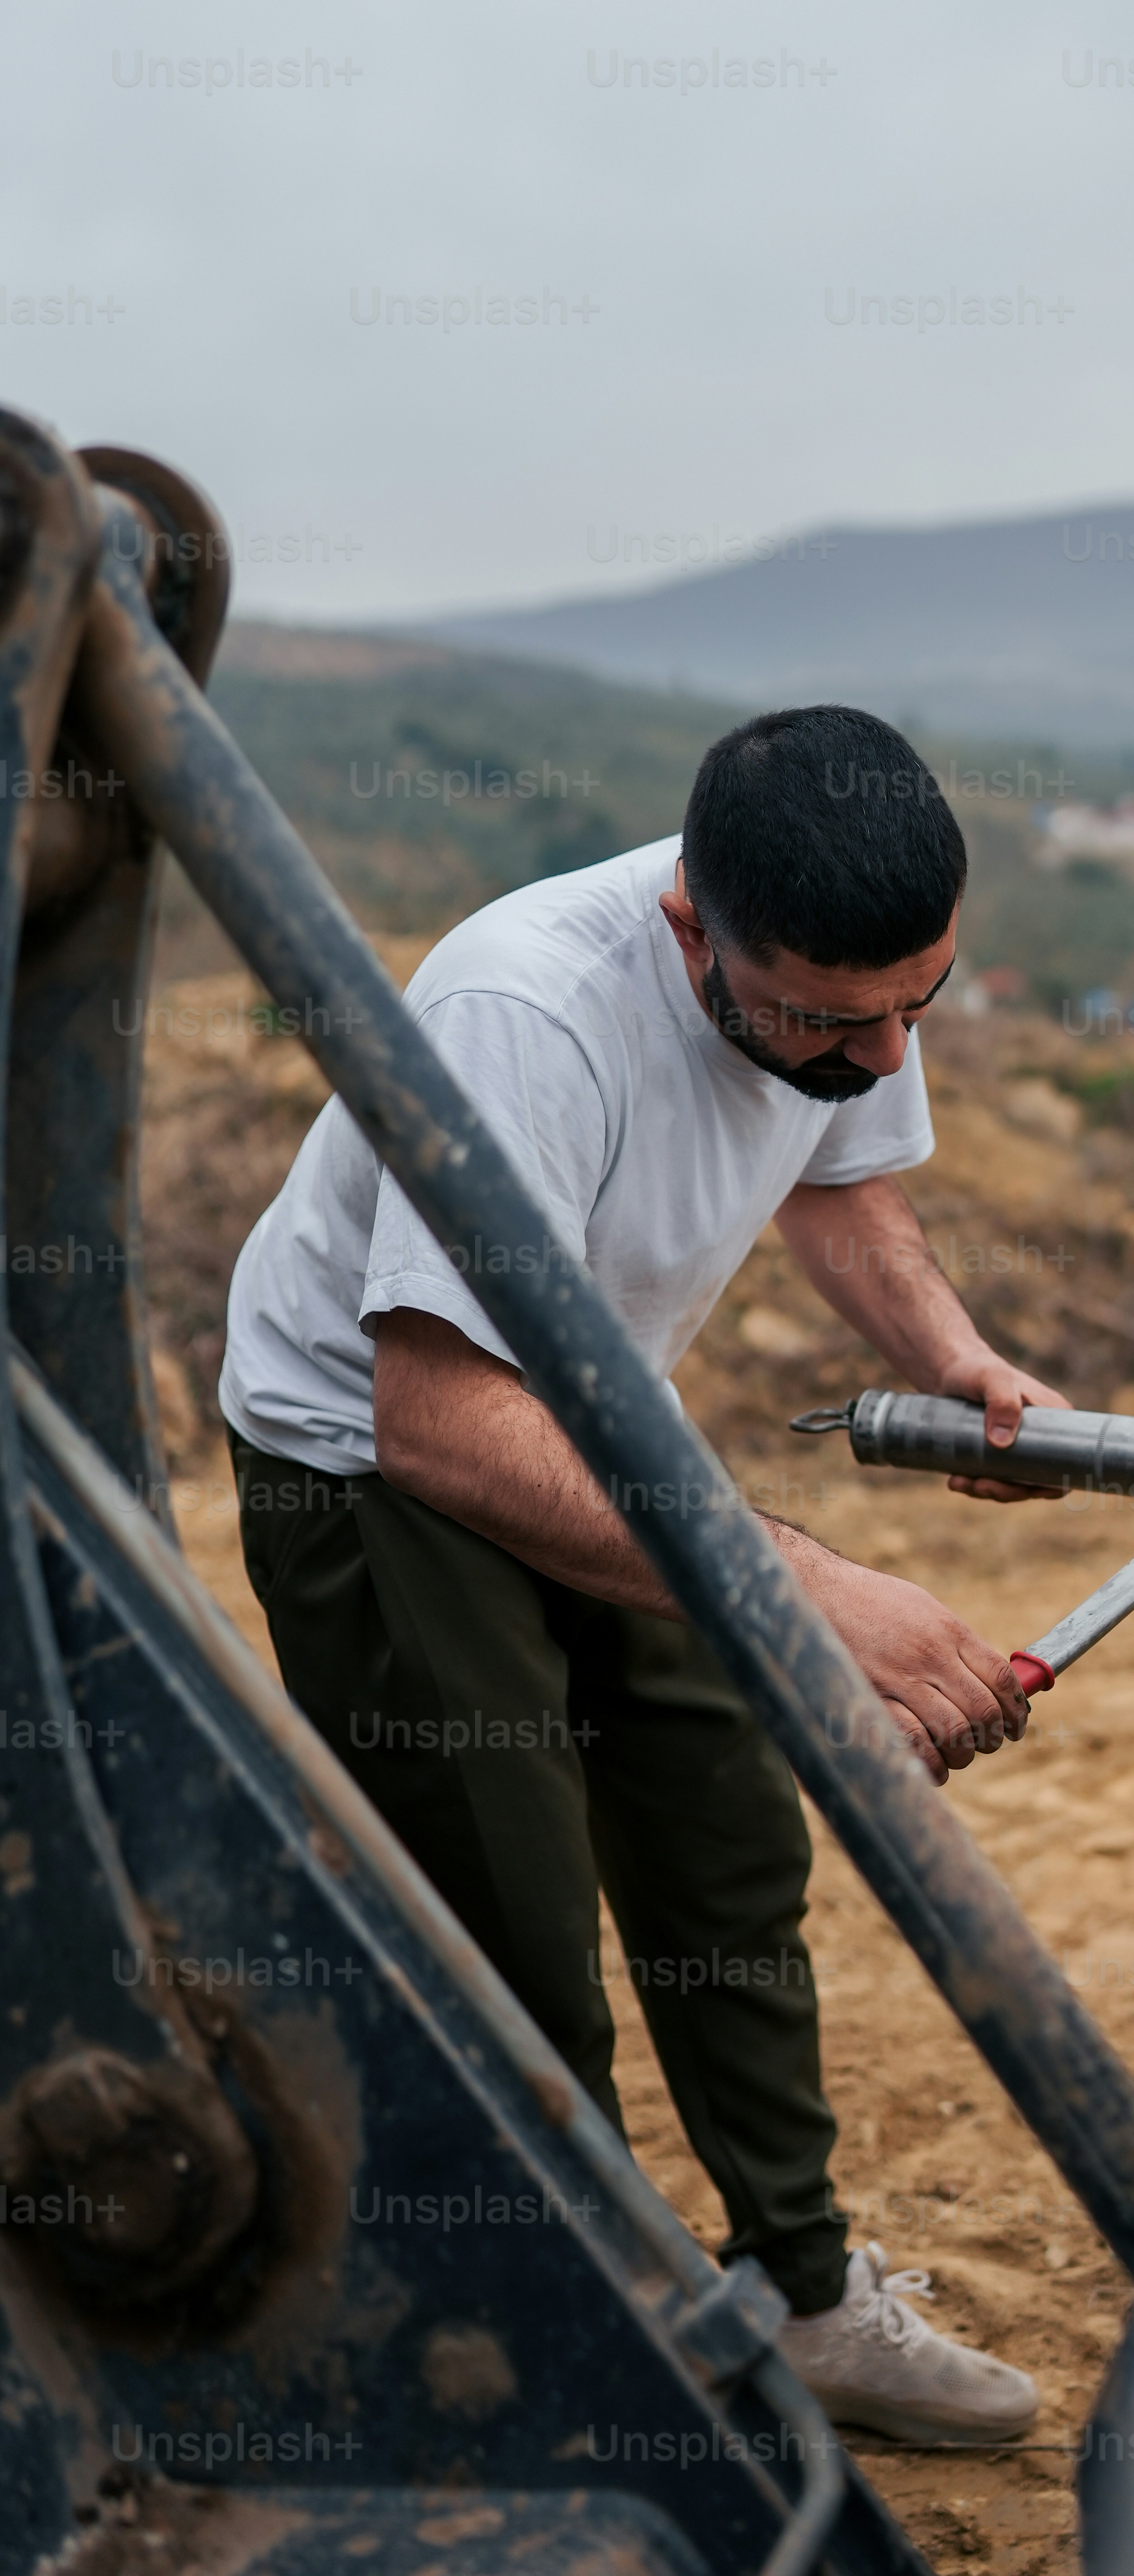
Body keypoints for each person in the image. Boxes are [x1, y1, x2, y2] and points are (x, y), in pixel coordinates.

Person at [220, 703, 1068, 2442]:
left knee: (724, 1849)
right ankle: (579, 2340)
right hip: (377, 1459)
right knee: (511, 1928)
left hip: (597, 1415)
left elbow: (843, 1181)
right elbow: (442, 1423)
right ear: (693, 926)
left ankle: (807, 2297)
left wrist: (957, 1358)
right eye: (832, 1020)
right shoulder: (522, 1012)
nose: (880, 1053)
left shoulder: (840, 988)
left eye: (918, 1005)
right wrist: (800, 1587)